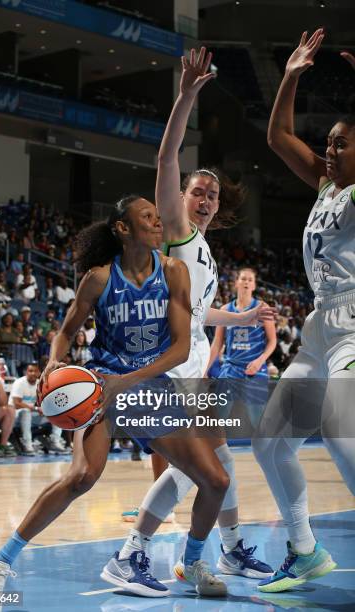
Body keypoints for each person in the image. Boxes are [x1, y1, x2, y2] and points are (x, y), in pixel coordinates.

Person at [0, 195, 231, 609]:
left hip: (148, 385)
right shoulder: (97, 278)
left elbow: (182, 349)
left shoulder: (174, 271)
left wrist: (126, 381)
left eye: (157, 214)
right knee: (82, 477)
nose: (158, 220)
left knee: (216, 480)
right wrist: (55, 363)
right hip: (101, 387)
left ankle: (194, 562)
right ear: (123, 229)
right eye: (147, 216)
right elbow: (66, 330)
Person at [115, 47, 274, 588]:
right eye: (197, 192)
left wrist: (242, 317)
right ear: (180, 199)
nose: (205, 199)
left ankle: (226, 548)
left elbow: (201, 313)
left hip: (192, 368)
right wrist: (184, 98)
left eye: (211, 195)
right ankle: (135, 551)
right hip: (172, 371)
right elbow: (165, 160)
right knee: (196, 474)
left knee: (218, 468)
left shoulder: (202, 250)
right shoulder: (178, 233)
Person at [252, 29, 355, 593]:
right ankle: (305, 550)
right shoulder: (325, 186)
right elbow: (279, 135)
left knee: (343, 435)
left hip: (354, 326)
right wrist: (290, 74)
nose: (332, 150)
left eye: (343, 143)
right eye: (331, 142)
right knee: (270, 440)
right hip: (320, 325)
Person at [207, 267, 277, 428]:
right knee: (218, 418)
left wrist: (260, 361)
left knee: (257, 420)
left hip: (255, 368)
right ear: (236, 283)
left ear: (254, 286)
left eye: (250, 280)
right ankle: (217, 452)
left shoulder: (263, 308)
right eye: (243, 279)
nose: (246, 282)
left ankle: (267, 451)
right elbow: (217, 343)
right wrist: (205, 369)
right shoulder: (225, 310)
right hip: (230, 367)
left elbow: (272, 341)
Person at [9, 362, 65, 456]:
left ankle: (55, 441)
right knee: (26, 412)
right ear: (25, 372)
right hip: (15, 416)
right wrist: (36, 408)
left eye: (35, 371)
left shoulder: (40, 383)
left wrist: (44, 409)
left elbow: (44, 402)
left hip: (31, 416)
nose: (33, 373)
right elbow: (16, 403)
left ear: (39, 373)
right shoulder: (19, 383)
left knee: (56, 413)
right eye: (30, 371)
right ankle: (27, 445)